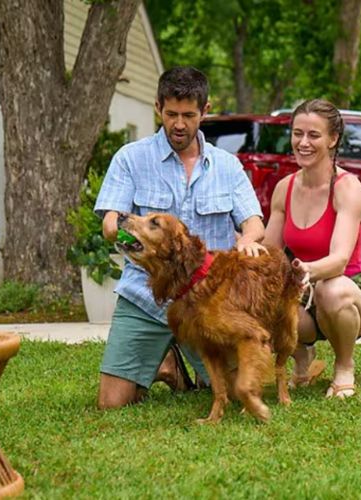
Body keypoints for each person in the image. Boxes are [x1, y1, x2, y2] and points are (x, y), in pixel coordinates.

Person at [94, 67, 265, 409]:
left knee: (238, 395)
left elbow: (254, 222)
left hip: (207, 302)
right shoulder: (131, 158)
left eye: (189, 115)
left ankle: (183, 362)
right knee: (111, 404)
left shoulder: (227, 166)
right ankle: (165, 361)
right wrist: (112, 222)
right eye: (171, 114)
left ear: (205, 110)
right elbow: (112, 214)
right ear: (158, 107)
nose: (179, 124)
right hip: (145, 295)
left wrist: (248, 237)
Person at [253, 98, 361, 399]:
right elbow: (270, 252)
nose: (303, 142)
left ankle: (344, 366)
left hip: (348, 292)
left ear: (333, 139)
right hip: (303, 293)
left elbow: (339, 261)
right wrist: (244, 247)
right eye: (298, 134)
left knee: (331, 289)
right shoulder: (285, 187)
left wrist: (307, 269)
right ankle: (302, 357)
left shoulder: (348, 187)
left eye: (313, 135)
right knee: (261, 290)